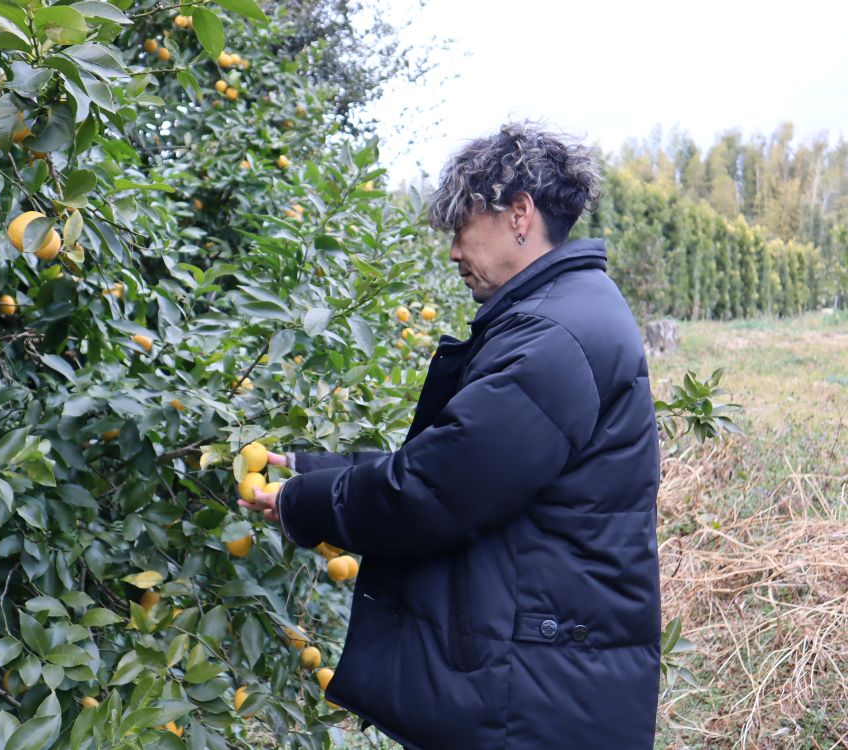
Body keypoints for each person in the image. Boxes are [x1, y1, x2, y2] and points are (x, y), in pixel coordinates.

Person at [238, 121, 662, 750]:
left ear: (520, 214)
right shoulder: (566, 313)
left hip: (538, 695)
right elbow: (459, 456)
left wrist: (303, 504)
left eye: (463, 230)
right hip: (548, 667)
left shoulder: (554, 339)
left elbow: (436, 489)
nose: (454, 252)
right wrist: (309, 469)